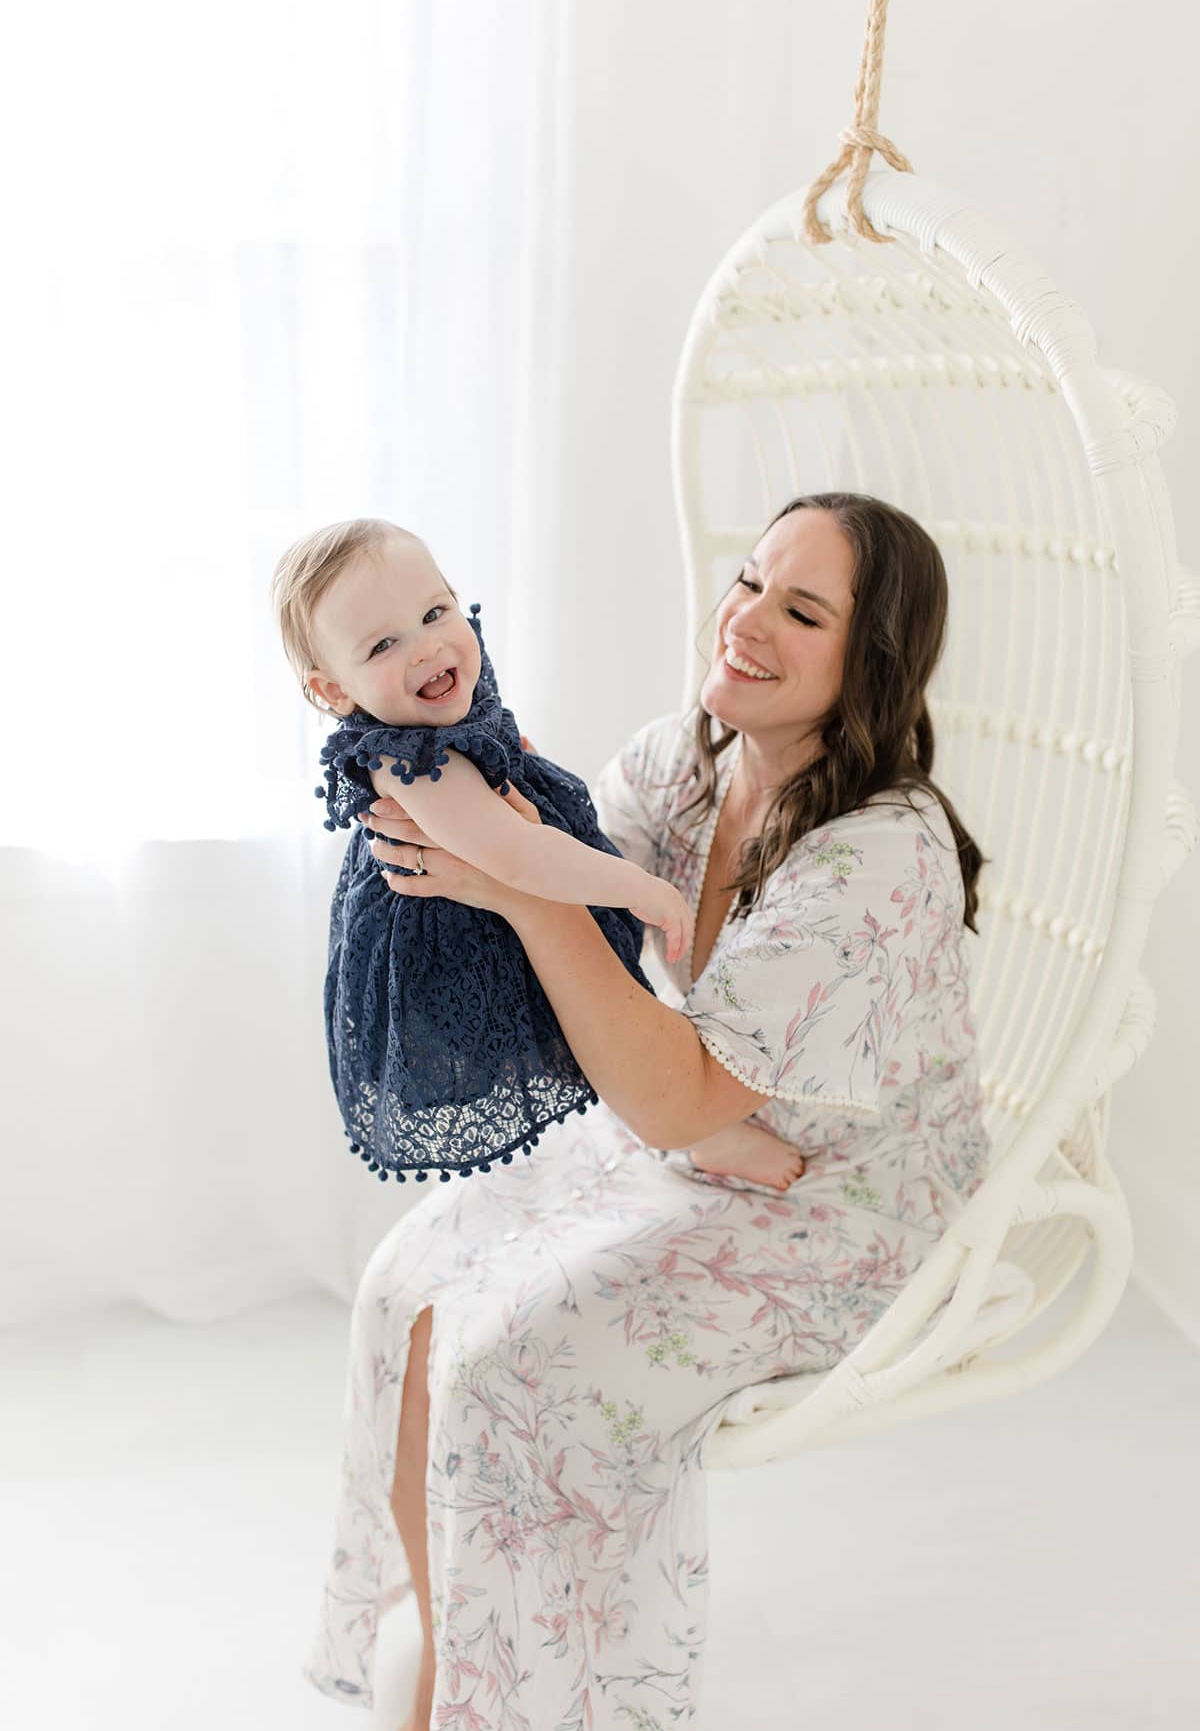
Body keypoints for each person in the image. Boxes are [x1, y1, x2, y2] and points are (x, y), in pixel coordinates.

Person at [303, 494, 989, 1730]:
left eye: (802, 608)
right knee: (408, 1284)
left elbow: (629, 1026)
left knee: (525, 1360)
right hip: (699, 1134)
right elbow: (569, 981)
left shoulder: (884, 853)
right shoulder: (692, 759)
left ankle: (534, 1698)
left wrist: (521, 891)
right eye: (748, 580)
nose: (747, 621)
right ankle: (460, 1651)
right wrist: (488, 857)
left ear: (868, 661)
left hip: (843, 1203)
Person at [271, 519, 808, 1189]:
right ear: (334, 691)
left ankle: (701, 1132)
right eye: (383, 644)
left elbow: (500, 759)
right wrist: (639, 888)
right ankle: (703, 1135)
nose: (426, 647)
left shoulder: (440, 693)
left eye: (435, 612)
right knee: (585, 1024)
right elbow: (517, 858)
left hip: (513, 902)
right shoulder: (408, 762)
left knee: (608, 1010)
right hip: (471, 948)